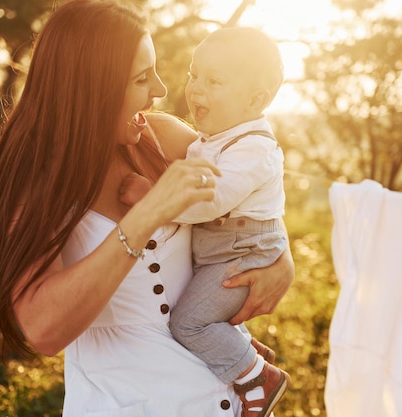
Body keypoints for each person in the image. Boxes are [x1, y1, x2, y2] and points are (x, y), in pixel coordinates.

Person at [0, 1, 294, 416]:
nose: (161, 90)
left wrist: (282, 258)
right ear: (91, 88)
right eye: (142, 77)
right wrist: (144, 217)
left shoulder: (164, 140)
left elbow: (251, 182)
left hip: (225, 402)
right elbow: (43, 332)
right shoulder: (35, 184)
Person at [119, 26, 290, 417]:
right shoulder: (212, 139)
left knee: (189, 323)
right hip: (228, 251)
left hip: (243, 254)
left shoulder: (253, 149)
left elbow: (212, 202)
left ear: (256, 100)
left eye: (214, 81)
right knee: (200, 312)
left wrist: (154, 199)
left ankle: (258, 377)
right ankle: (240, 349)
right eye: (194, 75)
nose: (195, 89)